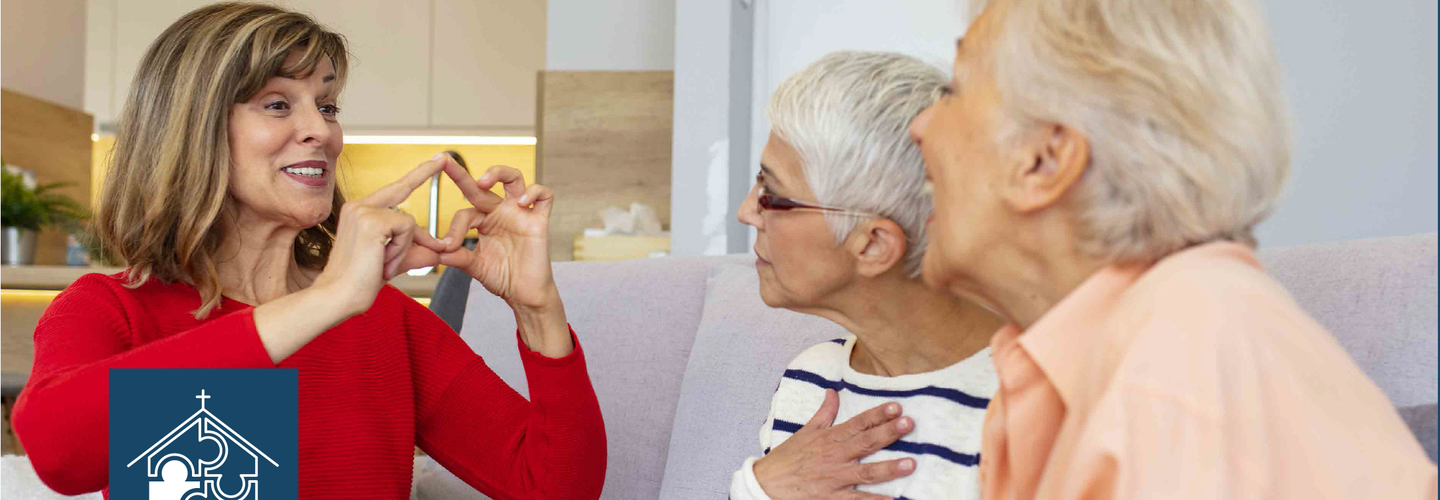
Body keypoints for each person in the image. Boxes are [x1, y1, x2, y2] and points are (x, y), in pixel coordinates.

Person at [11, 3, 605, 499]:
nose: (322, 131)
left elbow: (555, 487)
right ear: (191, 129)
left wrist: (537, 309)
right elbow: (59, 453)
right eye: (277, 104)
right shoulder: (111, 309)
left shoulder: (387, 322)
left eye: (327, 106)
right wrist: (330, 298)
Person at [908, 0, 1438, 498]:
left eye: (954, 90)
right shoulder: (1058, 371)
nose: (919, 127)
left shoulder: (1175, 377)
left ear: (1045, 160)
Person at [729, 51, 1005, 500]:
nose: (746, 212)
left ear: (874, 244)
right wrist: (759, 487)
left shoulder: (1035, 403)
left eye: (772, 195)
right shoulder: (812, 380)